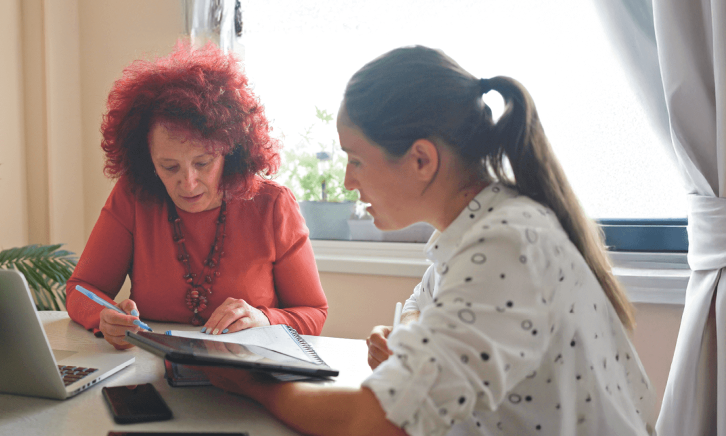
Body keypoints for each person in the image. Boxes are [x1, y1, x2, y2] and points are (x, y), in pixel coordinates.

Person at [196, 46, 651, 435]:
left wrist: (252, 385)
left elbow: (377, 423)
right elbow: (429, 306)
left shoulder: (505, 246)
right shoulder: (482, 230)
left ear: (421, 159)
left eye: (356, 159)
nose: (348, 181)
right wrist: (412, 339)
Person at [64, 43, 328, 350]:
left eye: (203, 163)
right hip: (153, 370)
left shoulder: (272, 205)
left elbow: (314, 314)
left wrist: (263, 318)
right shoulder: (133, 197)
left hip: (248, 377)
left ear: (230, 153)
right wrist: (105, 316)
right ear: (147, 160)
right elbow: (81, 290)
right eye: (169, 166)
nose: (188, 183)